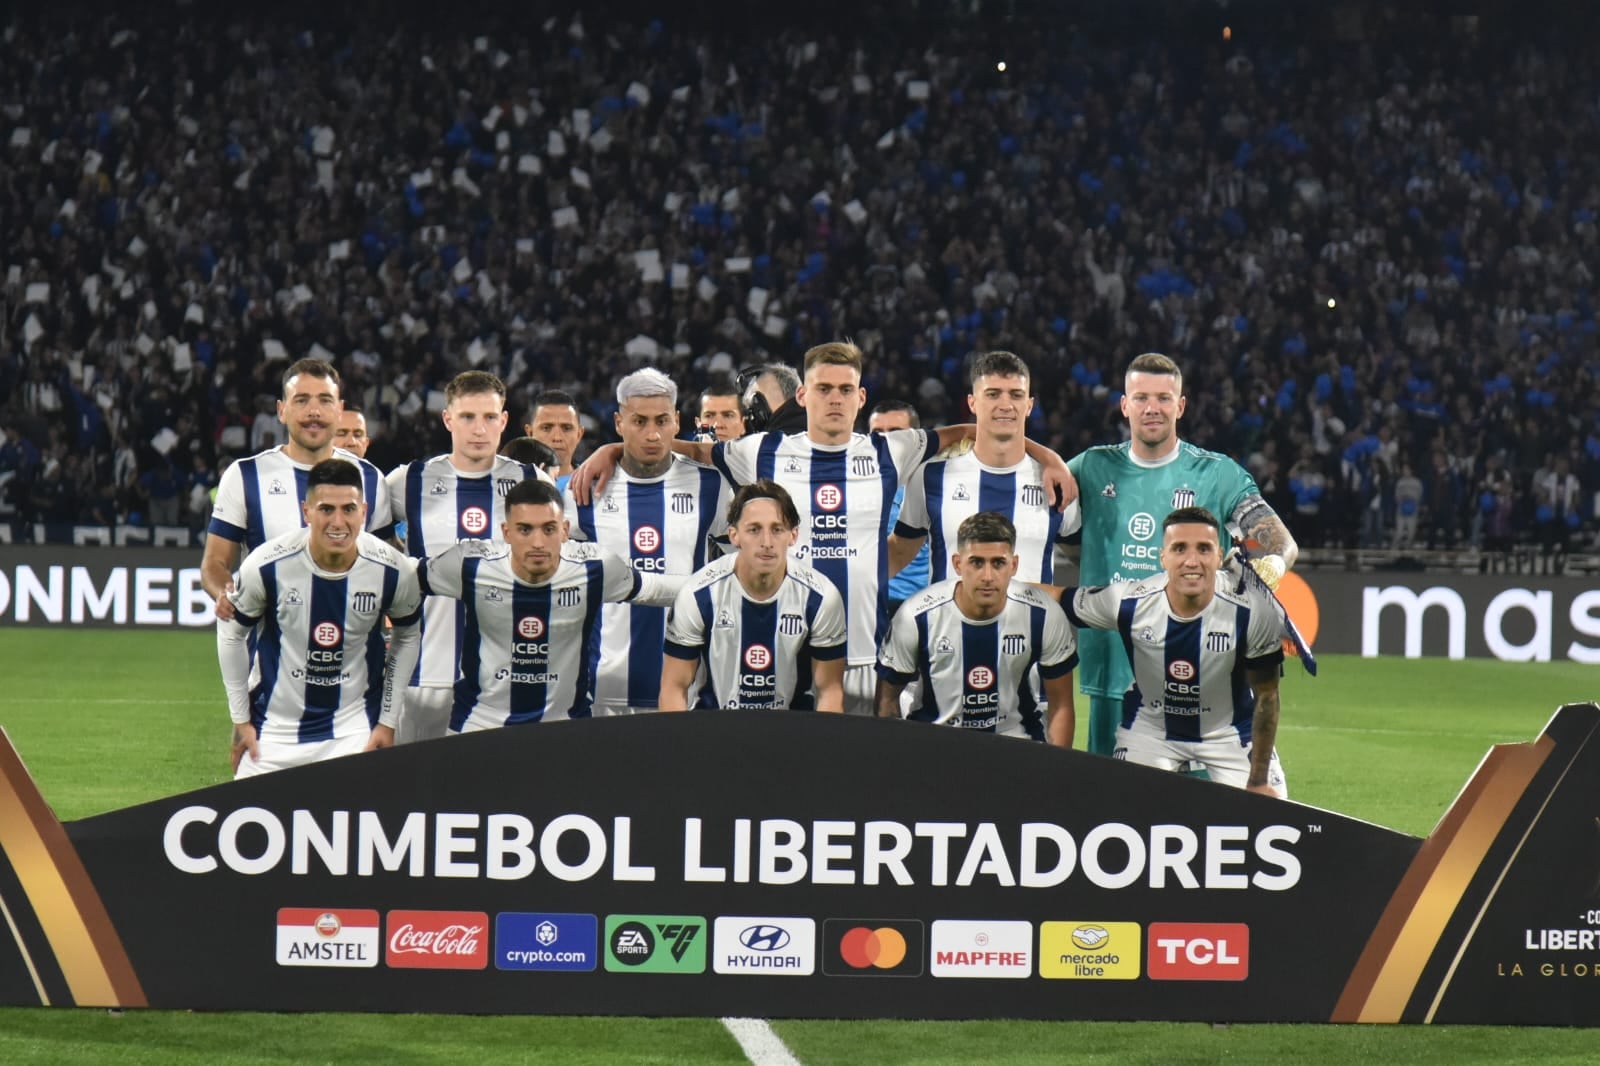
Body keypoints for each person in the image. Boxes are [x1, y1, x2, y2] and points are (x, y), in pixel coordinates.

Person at [575, 341, 1075, 716]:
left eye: (844, 389)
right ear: (803, 393)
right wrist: (610, 449)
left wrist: (1048, 456)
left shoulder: (891, 451)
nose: (834, 399)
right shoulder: (765, 451)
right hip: (782, 652)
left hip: (864, 654)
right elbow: (685, 448)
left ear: (860, 397)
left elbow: (979, 429)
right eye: (823, 388)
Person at [1065, 352, 1298, 758]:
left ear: (1181, 405)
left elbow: (1281, 544)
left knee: (1203, 814)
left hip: (1204, 670)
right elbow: (1056, 534)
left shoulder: (1217, 474)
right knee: (1109, 808)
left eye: (1163, 398)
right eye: (1140, 398)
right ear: (1124, 405)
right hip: (1113, 661)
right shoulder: (1090, 468)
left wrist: (1258, 577)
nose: (1151, 408)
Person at [1055, 507, 1289, 795]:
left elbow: (1267, 694)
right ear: (1163, 557)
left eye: (1204, 549)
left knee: (1273, 817)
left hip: (1231, 735)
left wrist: (1258, 781)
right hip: (1150, 731)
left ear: (1219, 557)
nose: (1192, 560)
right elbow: (1058, 598)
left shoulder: (1253, 609)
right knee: (1124, 815)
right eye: (1179, 548)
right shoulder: (1130, 602)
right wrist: (1001, 589)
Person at [416, 479, 684, 731]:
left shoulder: (595, 568)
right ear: (506, 533)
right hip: (477, 725)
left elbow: (656, 589)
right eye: (524, 529)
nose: (538, 542)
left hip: (564, 729)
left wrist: (721, 576)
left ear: (565, 531)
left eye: (549, 529)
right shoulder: (469, 564)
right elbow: (404, 578)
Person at [217, 459, 422, 778]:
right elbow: (231, 634)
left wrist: (387, 722)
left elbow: (407, 636)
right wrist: (241, 719)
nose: (338, 522)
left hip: (353, 736)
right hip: (273, 737)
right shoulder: (267, 564)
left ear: (364, 512)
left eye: (349, 509)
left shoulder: (393, 570)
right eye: (326, 509)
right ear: (306, 511)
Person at [387, 371, 554, 744]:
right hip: (422, 674)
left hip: (507, 678)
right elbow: (373, 548)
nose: (479, 429)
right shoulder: (408, 481)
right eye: (467, 417)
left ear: (504, 421)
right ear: (448, 419)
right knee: (414, 795)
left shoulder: (532, 483)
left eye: (489, 418)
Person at [566, 368, 729, 713]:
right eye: (639, 421)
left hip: (687, 689)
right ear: (618, 422)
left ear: (676, 421)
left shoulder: (710, 487)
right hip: (603, 691)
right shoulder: (582, 491)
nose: (652, 434)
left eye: (661, 420)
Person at [202, 359, 392, 620]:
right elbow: (214, 563)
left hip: (352, 652)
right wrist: (226, 592)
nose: (313, 411)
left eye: (325, 400)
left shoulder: (370, 478)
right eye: (301, 400)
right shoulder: (245, 476)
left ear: (339, 410)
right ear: (281, 410)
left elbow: (386, 567)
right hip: (267, 653)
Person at [877, 512, 1077, 745]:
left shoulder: (1043, 614)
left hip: (1016, 746)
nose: (988, 576)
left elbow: (1061, 705)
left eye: (998, 563)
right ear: (957, 564)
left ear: (1014, 565)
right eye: (977, 562)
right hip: (935, 745)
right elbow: (886, 703)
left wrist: (1056, 773)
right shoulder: (916, 616)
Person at [660, 481, 846, 711]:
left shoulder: (821, 597)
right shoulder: (698, 594)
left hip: (794, 733)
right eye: (754, 529)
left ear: (793, 535)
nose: (766, 542)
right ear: (734, 536)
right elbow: (673, 688)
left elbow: (830, 691)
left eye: (777, 529)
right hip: (713, 732)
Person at [890, 351, 1070, 585]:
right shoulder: (930, 478)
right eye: (993, 394)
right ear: (972, 403)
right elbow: (898, 553)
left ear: (1029, 405)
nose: (1005, 405)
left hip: (1031, 622)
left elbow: (1086, 556)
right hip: (949, 622)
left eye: (1016, 395)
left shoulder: (1058, 483)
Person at [869, 401, 930, 616]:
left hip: (914, 610)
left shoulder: (932, 489)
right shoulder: (854, 491)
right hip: (863, 608)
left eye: (896, 433)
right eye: (877, 433)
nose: (885, 441)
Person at [525, 389, 584, 491]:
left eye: (566, 428)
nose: (557, 438)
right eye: (546, 428)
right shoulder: (507, 485)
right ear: (530, 433)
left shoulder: (597, 487)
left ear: (579, 435)